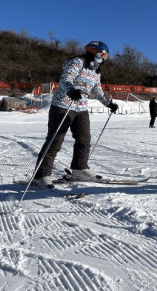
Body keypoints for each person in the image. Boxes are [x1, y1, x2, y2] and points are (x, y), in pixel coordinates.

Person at [32, 41, 118, 188]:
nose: (103, 57)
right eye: (101, 54)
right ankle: (41, 175)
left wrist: (108, 103)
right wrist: (71, 90)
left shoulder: (96, 70)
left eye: (106, 55)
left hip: (81, 108)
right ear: (92, 51)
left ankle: (79, 168)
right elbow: (66, 79)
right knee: (55, 140)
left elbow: (97, 90)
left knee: (84, 139)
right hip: (63, 105)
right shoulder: (77, 62)